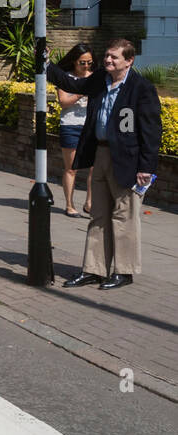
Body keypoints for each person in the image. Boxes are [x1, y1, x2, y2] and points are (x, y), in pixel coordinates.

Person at [46, 39, 161, 290]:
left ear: (129, 61)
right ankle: (94, 270)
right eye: (107, 56)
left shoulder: (141, 88)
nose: (108, 60)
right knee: (98, 215)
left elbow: (151, 132)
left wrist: (146, 168)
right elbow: (71, 83)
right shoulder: (100, 79)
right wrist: (46, 63)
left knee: (124, 216)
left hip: (128, 161)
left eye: (114, 58)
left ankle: (124, 271)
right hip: (101, 153)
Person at [54, 44, 95, 216]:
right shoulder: (65, 78)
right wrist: (80, 93)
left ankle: (90, 203)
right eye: (82, 63)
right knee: (71, 168)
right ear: (74, 62)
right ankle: (70, 205)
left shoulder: (96, 77)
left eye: (89, 63)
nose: (86, 66)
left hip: (92, 126)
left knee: (94, 168)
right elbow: (63, 102)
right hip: (71, 125)